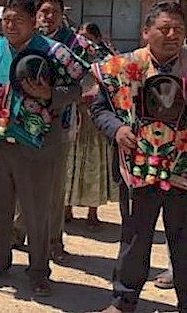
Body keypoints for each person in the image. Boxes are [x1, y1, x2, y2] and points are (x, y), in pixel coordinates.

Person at [89, 1, 187, 313]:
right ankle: (123, 302)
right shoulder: (122, 67)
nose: (172, 35)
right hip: (138, 169)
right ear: (146, 32)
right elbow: (100, 109)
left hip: (186, 171)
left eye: (178, 29)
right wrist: (117, 130)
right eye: (164, 28)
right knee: (134, 240)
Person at [0, 0, 86, 297]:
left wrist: (51, 95)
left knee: (36, 211)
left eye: (17, 20)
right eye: (6, 20)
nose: (10, 25)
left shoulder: (55, 52)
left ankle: (38, 271)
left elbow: (83, 84)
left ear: (33, 22)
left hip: (37, 144)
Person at [12, 0, 100, 262]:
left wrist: (57, 96)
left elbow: (90, 80)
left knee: (53, 186)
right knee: (23, 180)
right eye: (43, 11)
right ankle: (18, 231)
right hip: (23, 123)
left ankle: (53, 240)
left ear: (62, 14)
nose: (48, 17)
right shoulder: (24, 40)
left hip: (60, 122)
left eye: (54, 12)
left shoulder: (76, 44)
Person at [64, 22, 118, 228]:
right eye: (81, 36)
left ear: (97, 38)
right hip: (75, 115)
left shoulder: (106, 60)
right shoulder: (71, 56)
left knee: (94, 164)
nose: (83, 41)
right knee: (71, 162)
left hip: (95, 118)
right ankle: (66, 208)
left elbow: (112, 84)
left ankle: (92, 212)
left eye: (87, 37)